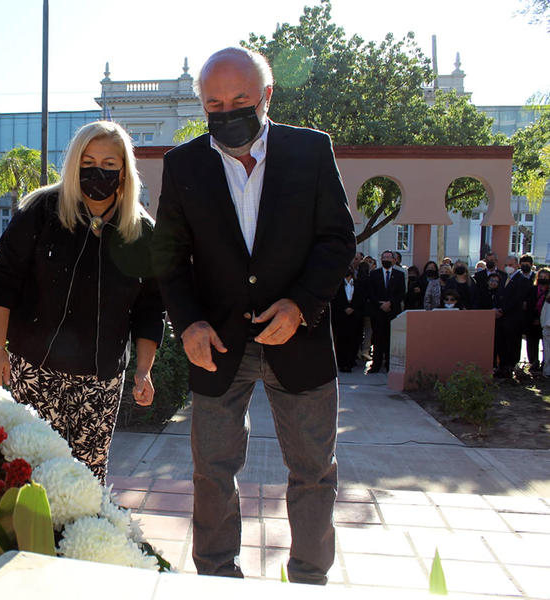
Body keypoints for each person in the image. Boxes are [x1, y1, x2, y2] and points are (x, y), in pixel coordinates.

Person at [152, 48, 355, 584]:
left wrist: (302, 304)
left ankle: (310, 581)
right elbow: (168, 258)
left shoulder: (311, 151)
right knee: (212, 473)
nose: (227, 112)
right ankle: (217, 579)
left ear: (267, 96)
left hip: (300, 341)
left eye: (240, 100)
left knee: (313, 473)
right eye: (214, 103)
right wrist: (188, 321)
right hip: (217, 344)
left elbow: (337, 239)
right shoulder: (183, 164)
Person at [0, 120, 164, 483]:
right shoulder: (40, 211)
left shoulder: (143, 233)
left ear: (125, 172)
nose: (98, 171)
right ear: (73, 163)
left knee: (85, 482)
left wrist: (144, 371)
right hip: (35, 370)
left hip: (99, 380)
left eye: (110, 165)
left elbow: (150, 309)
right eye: (88, 161)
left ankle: (81, 541)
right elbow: (2, 281)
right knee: (28, 475)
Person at [367, 250, 405, 373]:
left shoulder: (399, 275)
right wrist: (380, 304)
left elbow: (401, 293)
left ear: (394, 260)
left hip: (392, 311)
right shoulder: (374, 274)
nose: (387, 259)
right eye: (384, 257)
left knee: (391, 338)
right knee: (377, 338)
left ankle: (390, 365)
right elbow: (370, 292)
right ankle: (376, 365)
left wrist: (390, 303)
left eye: (389, 257)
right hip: (378, 311)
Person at [498, 255, 534, 378]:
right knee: (503, 343)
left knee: (513, 343)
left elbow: (517, 299)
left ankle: (511, 367)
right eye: (506, 265)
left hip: (514, 318)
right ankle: (502, 366)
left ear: (517, 265)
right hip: (502, 318)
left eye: (511, 265)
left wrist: (503, 310)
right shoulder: (503, 278)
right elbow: (500, 295)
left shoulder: (522, 280)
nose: (508, 267)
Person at [331, 267, 365, 372]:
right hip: (342, 316)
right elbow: (335, 299)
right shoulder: (338, 284)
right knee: (341, 340)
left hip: (355, 316)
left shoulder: (358, 284)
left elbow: (361, 298)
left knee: (354, 340)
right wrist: (345, 307)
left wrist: (353, 307)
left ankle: (350, 362)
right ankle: (342, 363)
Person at [526, 267, 549, 374]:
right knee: (532, 343)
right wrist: (533, 318)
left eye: (546, 277)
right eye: (541, 277)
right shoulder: (533, 289)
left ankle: (546, 364)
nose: (543, 279)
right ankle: (534, 363)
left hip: (545, 321)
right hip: (532, 320)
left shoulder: (549, 292)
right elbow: (528, 305)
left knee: (546, 345)